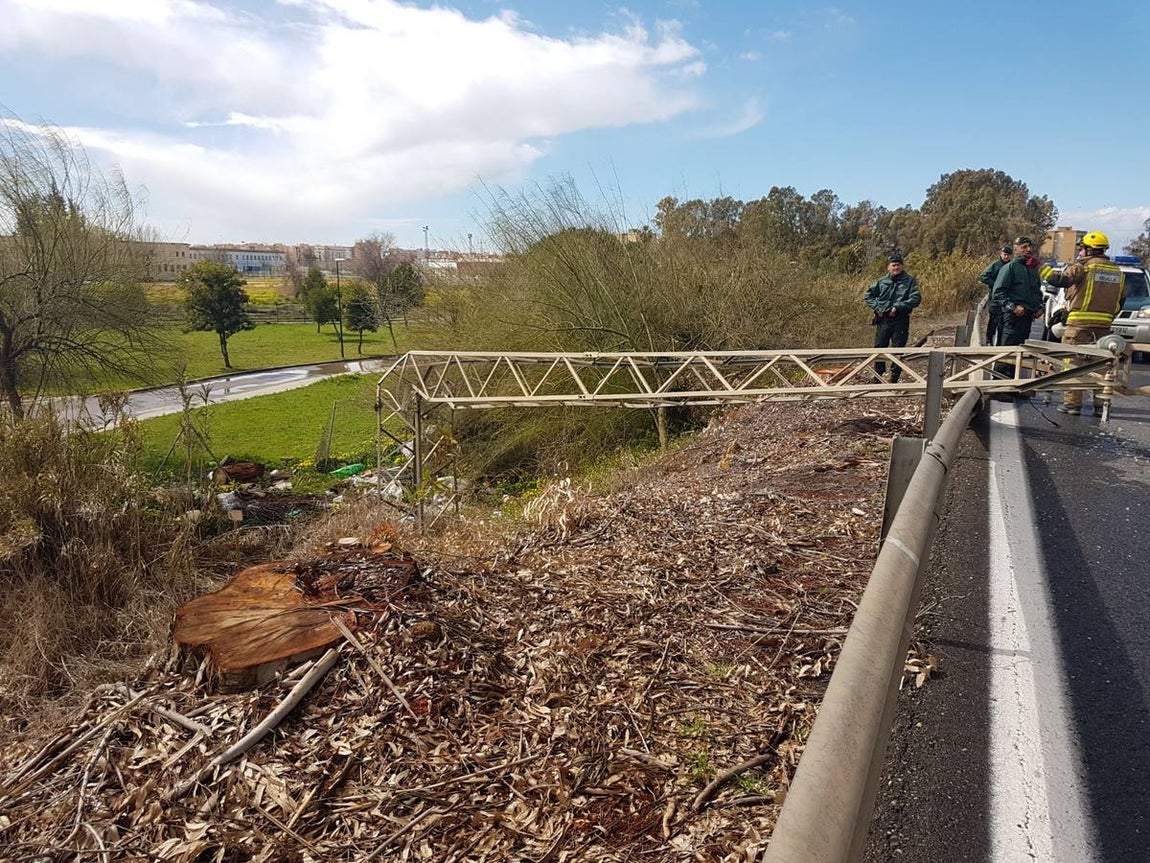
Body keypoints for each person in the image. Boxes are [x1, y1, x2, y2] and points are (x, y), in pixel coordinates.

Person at [1040, 231, 1126, 416]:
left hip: (1079, 325)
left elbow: (1061, 280)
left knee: (1072, 364)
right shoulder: (1117, 271)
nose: (1080, 253)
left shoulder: (1083, 268)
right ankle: (1100, 406)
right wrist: (1107, 316)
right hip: (1104, 328)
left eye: (1082, 249)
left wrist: (1041, 268)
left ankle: (1072, 405)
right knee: (1102, 367)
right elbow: (1121, 300)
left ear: (1090, 250)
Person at [991, 236, 1044, 381]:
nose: (1028, 250)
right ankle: (999, 387)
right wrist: (1013, 307)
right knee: (1007, 352)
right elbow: (998, 293)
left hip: (1027, 317)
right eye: (1024, 247)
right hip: (1012, 317)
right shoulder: (1010, 268)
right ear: (1016, 249)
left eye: (1029, 247)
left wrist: (1040, 307)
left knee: (1020, 353)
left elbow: (1037, 293)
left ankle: (1013, 385)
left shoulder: (1032, 270)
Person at [863, 253, 922, 383]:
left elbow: (916, 299)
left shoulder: (909, 281)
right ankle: (878, 376)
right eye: (893, 265)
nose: (896, 268)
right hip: (883, 320)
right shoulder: (882, 281)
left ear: (902, 266)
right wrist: (877, 307)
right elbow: (867, 296)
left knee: (898, 348)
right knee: (879, 348)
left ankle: (894, 378)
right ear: (888, 267)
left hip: (900, 319)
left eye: (898, 265)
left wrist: (898, 306)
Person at [980, 245, 1013, 344]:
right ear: (1001, 254)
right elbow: (983, 276)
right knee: (993, 320)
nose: (1006, 257)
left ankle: (999, 343)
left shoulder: (1011, 266)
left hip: (1006, 299)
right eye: (1004, 254)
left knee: (1003, 322)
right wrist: (995, 285)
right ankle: (989, 339)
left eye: (1008, 255)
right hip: (995, 298)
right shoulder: (996, 265)